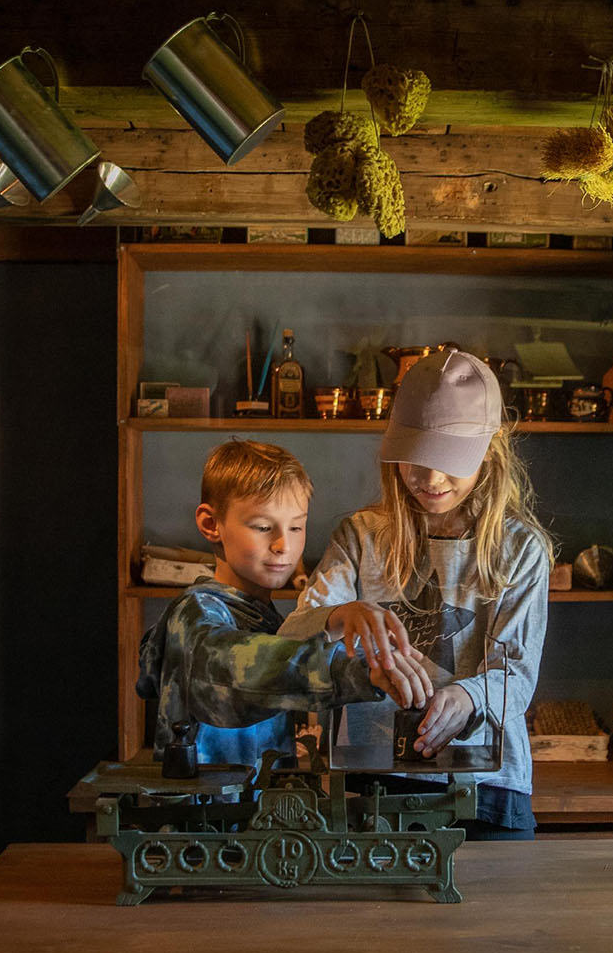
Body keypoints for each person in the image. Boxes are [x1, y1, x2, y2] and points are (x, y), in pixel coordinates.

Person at [278, 350, 552, 839]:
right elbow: (291, 637)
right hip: (369, 776)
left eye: (449, 464)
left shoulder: (519, 549)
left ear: (490, 452)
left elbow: (517, 672)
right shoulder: (360, 536)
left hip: (485, 785)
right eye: (415, 460)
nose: (430, 480)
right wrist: (343, 613)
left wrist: (468, 698)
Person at [136, 439, 420, 768]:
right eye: (263, 527)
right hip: (205, 815)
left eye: (296, 526)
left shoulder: (266, 619)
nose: (283, 545)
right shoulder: (195, 612)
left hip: (261, 812)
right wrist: (357, 671)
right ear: (211, 524)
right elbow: (235, 668)